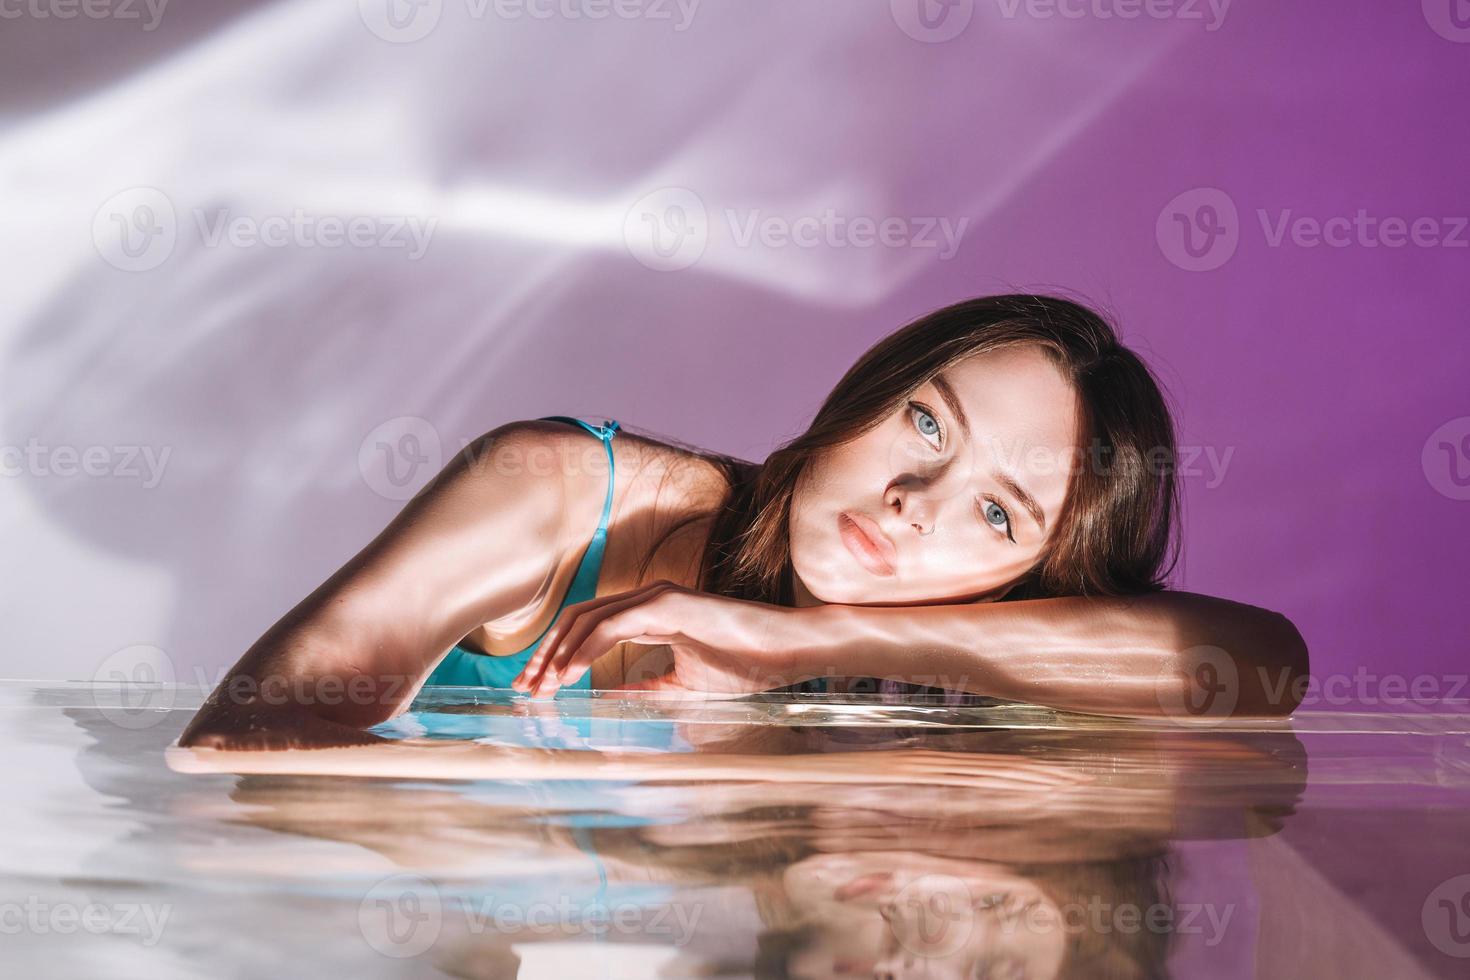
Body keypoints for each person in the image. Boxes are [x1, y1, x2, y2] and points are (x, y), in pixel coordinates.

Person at [178, 293, 1309, 751]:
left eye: (998, 510)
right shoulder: (568, 491)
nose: (917, 505)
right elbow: (244, 746)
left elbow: (1268, 665)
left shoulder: (934, 670)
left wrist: (824, 642)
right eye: (926, 421)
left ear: (1030, 576)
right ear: (869, 386)